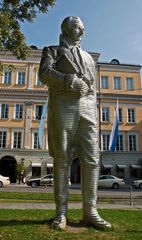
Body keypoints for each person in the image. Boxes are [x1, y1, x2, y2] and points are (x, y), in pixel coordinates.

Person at [39, 16, 111, 230]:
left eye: (83, 29)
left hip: (88, 108)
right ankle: (61, 212)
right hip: (64, 105)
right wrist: (68, 80)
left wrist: (95, 116)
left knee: (92, 159)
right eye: (78, 28)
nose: (82, 32)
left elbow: (93, 89)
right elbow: (44, 73)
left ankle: (91, 211)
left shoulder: (89, 58)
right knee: (62, 158)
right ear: (67, 29)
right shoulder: (52, 50)